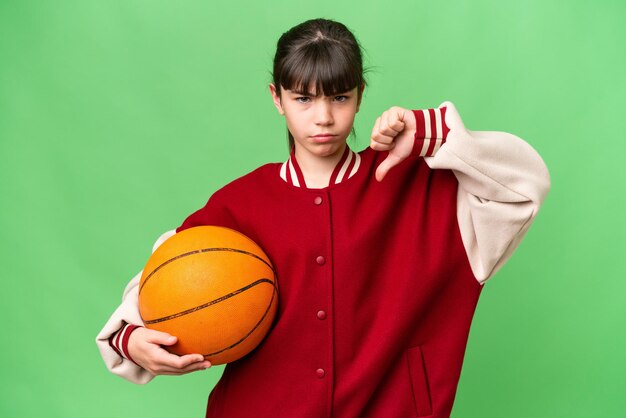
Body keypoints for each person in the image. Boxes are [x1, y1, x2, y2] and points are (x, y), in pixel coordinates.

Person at [96, 17, 550, 418]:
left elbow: (525, 185)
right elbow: (166, 276)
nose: (324, 118)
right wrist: (130, 338)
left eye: (339, 97)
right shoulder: (241, 203)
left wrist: (431, 132)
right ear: (276, 98)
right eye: (302, 99)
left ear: (360, 95)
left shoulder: (422, 189)